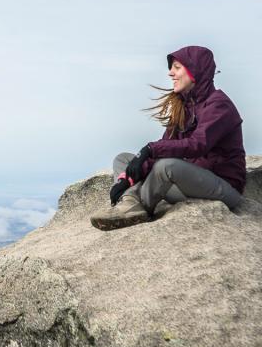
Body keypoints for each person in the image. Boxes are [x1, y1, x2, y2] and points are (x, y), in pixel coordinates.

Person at [90, 45, 246, 230]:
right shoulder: (183, 107)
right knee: (123, 159)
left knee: (166, 166)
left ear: (196, 70)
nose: (170, 73)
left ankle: (137, 208)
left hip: (222, 189)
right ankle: (130, 202)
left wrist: (150, 149)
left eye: (177, 67)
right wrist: (130, 177)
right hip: (186, 187)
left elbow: (198, 144)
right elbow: (165, 149)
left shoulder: (219, 105)